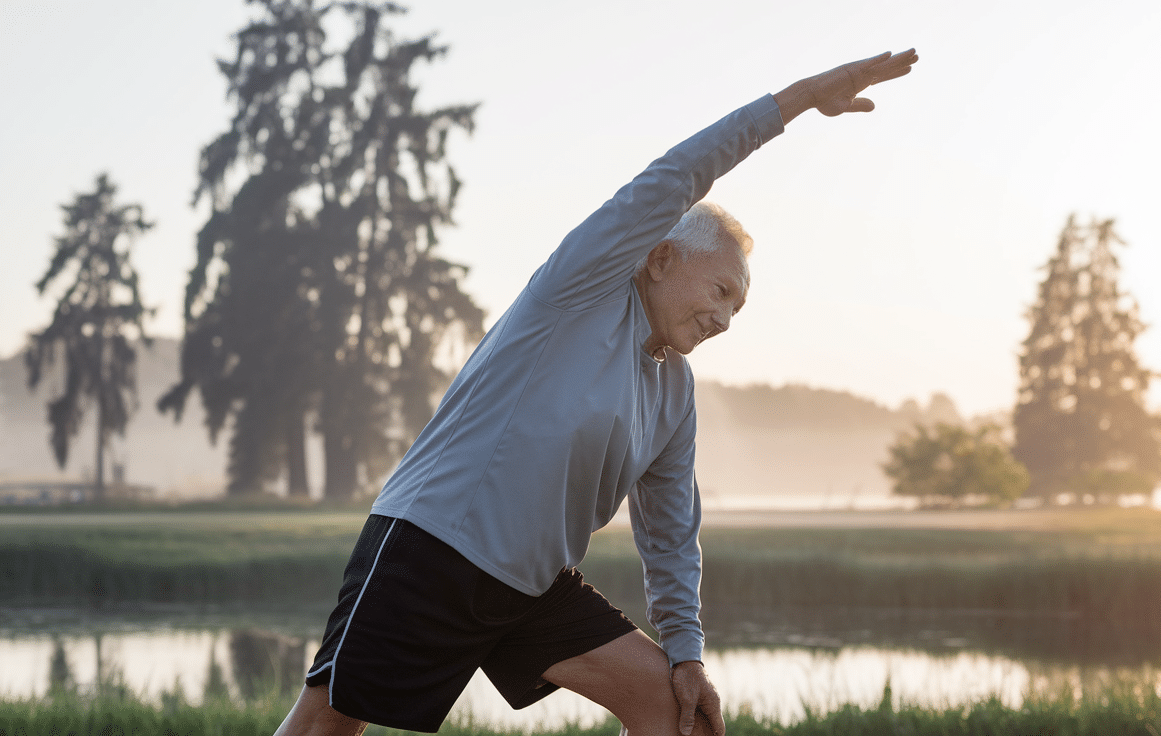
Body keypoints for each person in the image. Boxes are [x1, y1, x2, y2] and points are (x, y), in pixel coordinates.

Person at [274, 48, 918, 736]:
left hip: (532, 585)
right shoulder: (579, 289)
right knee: (327, 724)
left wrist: (687, 653)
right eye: (721, 291)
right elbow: (677, 175)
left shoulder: (674, 392)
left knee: (675, 710)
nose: (726, 319)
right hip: (434, 548)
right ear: (662, 258)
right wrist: (795, 100)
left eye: (740, 308)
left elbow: (671, 535)